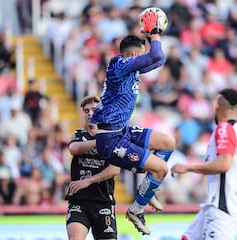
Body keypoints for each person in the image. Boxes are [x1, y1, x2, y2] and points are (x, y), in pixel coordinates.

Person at [91, 10, 176, 235]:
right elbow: (154, 56)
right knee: (161, 169)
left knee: (168, 141)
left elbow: (159, 58)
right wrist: (155, 32)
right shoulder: (120, 65)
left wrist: (150, 36)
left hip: (123, 130)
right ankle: (137, 209)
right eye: (141, 54)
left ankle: (147, 188)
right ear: (133, 54)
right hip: (110, 139)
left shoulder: (128, 66)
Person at [65, 95, 163, 239]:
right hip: (79, 201)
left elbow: (114, 169)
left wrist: (88, 181)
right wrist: (98, 142)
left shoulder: (112, 138)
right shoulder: (80, 135)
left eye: (93, 109)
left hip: (103, 202)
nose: (90, 113)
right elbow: (74, 149)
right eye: (86, 111)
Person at [171, 88, 237, 240]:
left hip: (220, 210)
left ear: (217, 107)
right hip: (217, 207)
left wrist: (188, 167)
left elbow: (224, 164)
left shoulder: (224, 128)